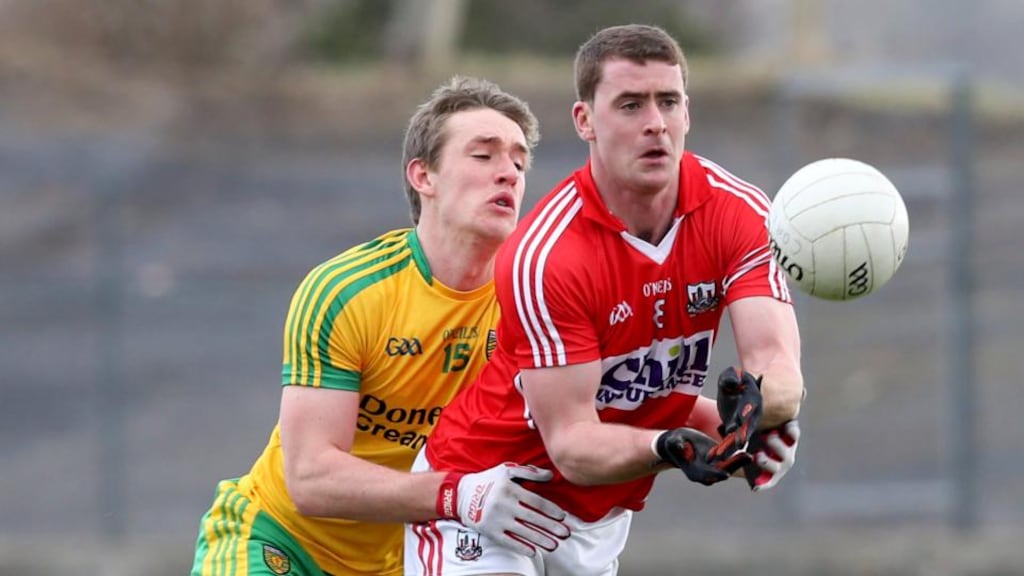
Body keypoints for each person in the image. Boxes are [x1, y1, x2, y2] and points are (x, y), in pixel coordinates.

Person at [405, 24, 805, 575]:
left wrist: (754, 416)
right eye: (630, 104)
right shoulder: (547, 253)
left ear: (687, 113)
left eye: (668, 102)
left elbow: (776, 365)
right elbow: (572, 445)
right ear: (585, 121)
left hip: (598, 520)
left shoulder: (739, 213)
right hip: (487, 496)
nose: (655, 123)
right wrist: (668, 447)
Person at [189, 76, 570, 576]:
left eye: (519, 163)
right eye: (484, 156)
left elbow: (592, 421)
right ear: (423, 176)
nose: (508, 174)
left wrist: (675, 435)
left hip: (403, 561)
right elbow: (310, 479)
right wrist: (457, 495)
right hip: (280, 543)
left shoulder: (536, 300)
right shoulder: (348, 291)